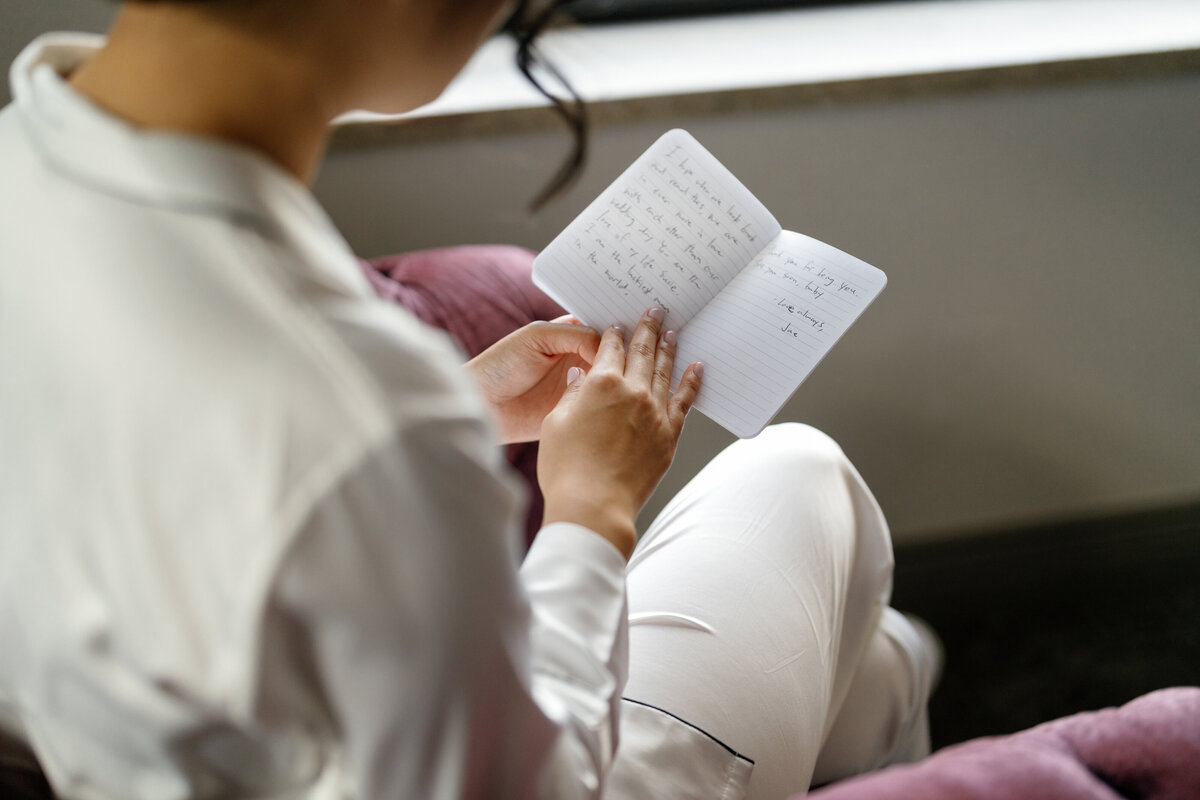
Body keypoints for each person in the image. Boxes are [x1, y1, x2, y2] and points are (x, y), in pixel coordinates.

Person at [0, 0, 941, 797]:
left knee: (871, 655)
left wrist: (457, 411)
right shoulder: (352, 415)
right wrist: (591, 514)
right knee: (803, 479)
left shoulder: (28, 172)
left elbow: (176, 472)